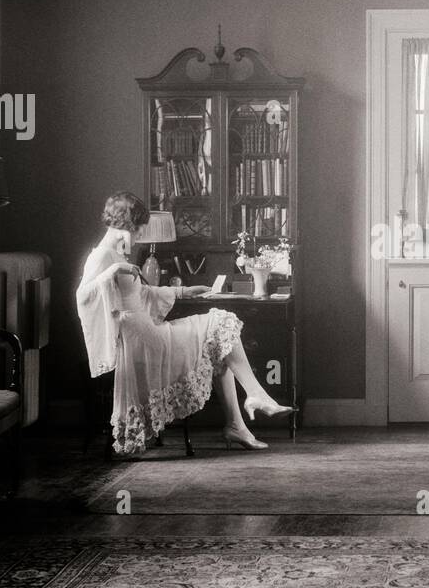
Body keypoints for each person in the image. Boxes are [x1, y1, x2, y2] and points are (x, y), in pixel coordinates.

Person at [76, 191, 291, 456]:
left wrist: (183, 292)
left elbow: (138, 295)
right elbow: (83, 296)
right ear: (126, 225)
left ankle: (238, 424)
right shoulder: (102, 257)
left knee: (219, 344)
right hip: (142, 342)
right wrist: (111, 272)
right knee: (221, 322)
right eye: (140, 232)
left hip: (147, 334)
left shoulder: (116, 255)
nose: (140, 238)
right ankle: (253, 398)